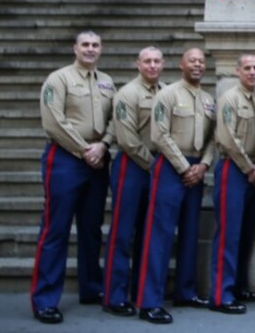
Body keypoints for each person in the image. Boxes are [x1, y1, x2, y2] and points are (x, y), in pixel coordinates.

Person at [30, 31, 115, 325]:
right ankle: (45, 300)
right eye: (85, 45)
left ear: (101, 49)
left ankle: (91, 287)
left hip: (98, 159)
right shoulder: (58, 79)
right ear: (75, 48)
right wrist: (83, 150)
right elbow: (54, 121)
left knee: (92, 228)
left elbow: (115, 120)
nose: (90, 49)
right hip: (65, 158)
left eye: (95, 45)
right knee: (56, 229)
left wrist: (103, 145)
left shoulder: (107, 82)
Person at [137, 48, 216, 324]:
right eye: (192, 60)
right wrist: (184, 167)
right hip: (171, 166)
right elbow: (160, 135)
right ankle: (149, 302)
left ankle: (185, 291)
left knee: (190, 232)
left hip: (196, 168)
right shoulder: (167, 94)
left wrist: (204, 165)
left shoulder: (208, 100)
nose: (197, 64)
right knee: (159, 235)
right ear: (181, 65)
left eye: (201, 61)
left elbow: (213, 139)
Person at [103, 46, 164, 318]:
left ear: (163, 64)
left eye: (156, 61)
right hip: (133, 166)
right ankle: (114, 296)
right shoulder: (127, 94)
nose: (152, 65)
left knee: (148, 233)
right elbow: (127, 139)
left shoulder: (167, 92)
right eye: (147, 61)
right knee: (122, 232)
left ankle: (142, 291)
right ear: (138, 64)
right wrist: (155, 167)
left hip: (156, 166)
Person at [208, 54, 255, 314]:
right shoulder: (229, 99)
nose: (252, 72)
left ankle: (238, 285)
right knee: (228, 234)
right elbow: (227, 138)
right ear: (238, 71)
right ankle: (221, 295)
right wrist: (249, 167)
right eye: (247, 68)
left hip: (253, 171)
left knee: (245, 233)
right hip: (234, 169)